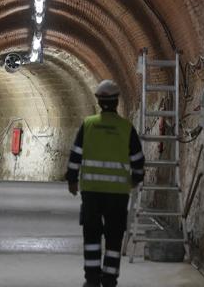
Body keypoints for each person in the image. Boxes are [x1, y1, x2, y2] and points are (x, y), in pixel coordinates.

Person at [65, 80, 145, 287]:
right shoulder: (126, 128)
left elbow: (76, 155)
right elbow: (137, 159)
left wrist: (72, 180)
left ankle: (92, 279)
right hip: (118, 193)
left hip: (91, 192)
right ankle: (110, 279)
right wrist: (136, 178)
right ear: (117, 101)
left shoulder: (89, 124)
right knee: (114, 238)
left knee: (91, 236)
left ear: (99, 102)